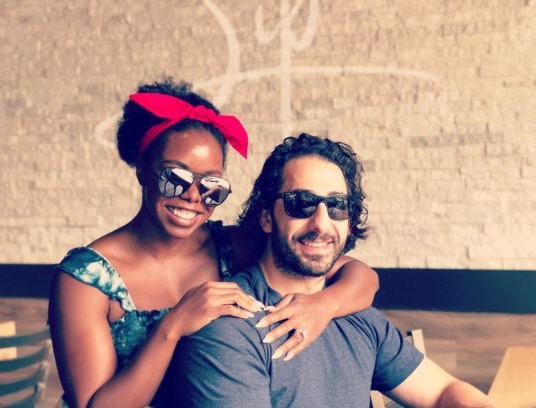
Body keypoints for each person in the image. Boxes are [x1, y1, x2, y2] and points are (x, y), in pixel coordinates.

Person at [48, 80, 379, 407]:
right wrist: (172, 327)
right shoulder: (87, 279)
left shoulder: (231, 247)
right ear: (143, 170)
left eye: (211, 185)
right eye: (175, 178)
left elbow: (360, 276)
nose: (194, 196)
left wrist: (324, 306)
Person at [169, 133, 496, 407]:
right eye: (302, 203)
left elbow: (442, 391)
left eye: (337, 206)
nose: (321, 224)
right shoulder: (229, 327)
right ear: (267, 217)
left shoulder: (355, 315)